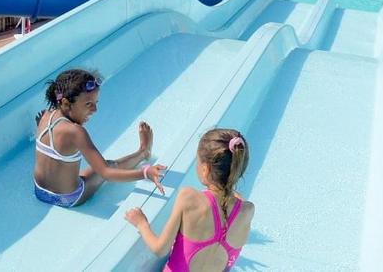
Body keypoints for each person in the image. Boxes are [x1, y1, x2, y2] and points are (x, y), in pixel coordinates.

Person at [33, 69, 165, 208]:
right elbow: (106, 173)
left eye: (96, 102)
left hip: (40, 191)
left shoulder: (45, 117)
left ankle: (143, 152)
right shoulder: (76, 132)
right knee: (109, 165)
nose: (95, 109)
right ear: (66, 104)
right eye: (88, 104)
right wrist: (145, 173)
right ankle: (143, 152)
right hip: (68, 198)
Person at [125, 129, 253, 272]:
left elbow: (160, 249)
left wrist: (141, 223)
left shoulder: (189, 197)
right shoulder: (247, 210)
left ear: (205, 169)